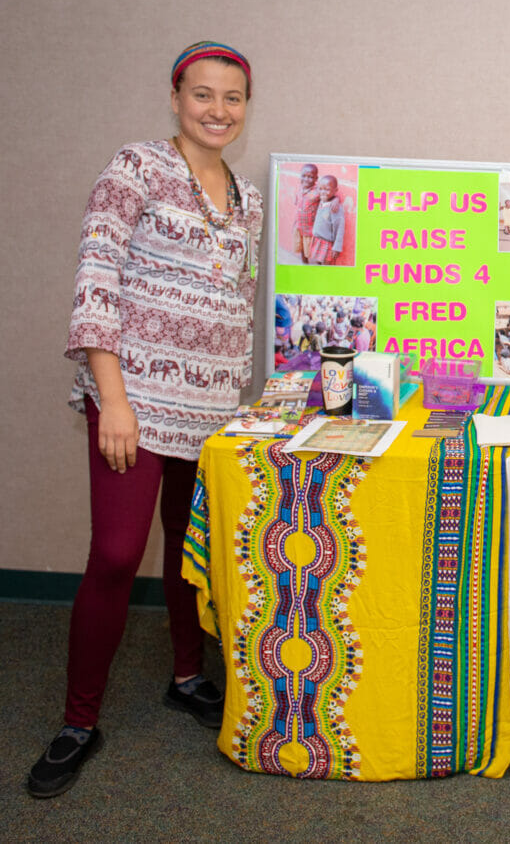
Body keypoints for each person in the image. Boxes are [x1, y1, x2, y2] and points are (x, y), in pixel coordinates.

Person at [29, 41, 262, 799]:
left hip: (213, 406)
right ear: (175, 96)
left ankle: (187, 677)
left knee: (189, 550)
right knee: (118, 556)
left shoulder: (247, 195)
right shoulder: (135, 168)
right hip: (135, 400)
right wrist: (113, 398)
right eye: (203, 95)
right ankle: (77, 723)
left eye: (232, 98)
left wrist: (243, 407)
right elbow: (95, 278)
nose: (218, 110)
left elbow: (237, 306)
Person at [308, 174, 344, 265]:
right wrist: (336, 198)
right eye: (320, 189)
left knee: (326, 266)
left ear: (335, 190)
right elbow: (312, 195)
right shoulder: (321, 200)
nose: (323, 192)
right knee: (315, 264)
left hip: (327, 243)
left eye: (327, 189)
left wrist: (337, 247)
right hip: (316, 240)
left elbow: (340, 228)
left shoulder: (335, 208)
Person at [292, 163, 319, 263]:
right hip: (299, 224)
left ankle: (319, 266)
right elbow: (296, 203)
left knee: (313, 247)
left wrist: (335, 201)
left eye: (310, 177)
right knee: (302, 246)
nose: (306, 179)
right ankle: (305, 263)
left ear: (316, 178)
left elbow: (330, 196)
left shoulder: (318, 191)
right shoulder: (299, 189)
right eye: (304, 176)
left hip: (310, 226)